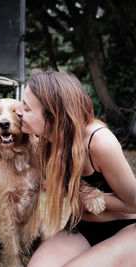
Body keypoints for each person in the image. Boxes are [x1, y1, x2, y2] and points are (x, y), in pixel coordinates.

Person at [16, 69, 136, 267]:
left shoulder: (98, 142)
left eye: (27, 108)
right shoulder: (46, 141)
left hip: (128, 227)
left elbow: (133, 203)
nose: (18, 111)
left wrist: (81, 193)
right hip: (83, 227)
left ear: (52, 116)